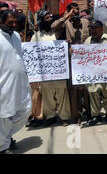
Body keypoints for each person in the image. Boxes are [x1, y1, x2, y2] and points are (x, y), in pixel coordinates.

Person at [51, 2, 90, 124]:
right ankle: (76, 114)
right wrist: (67, 16)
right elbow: (54, 26)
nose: (76, 12)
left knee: (86, 88)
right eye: (73, 10)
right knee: (74, 90)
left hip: (86, 60)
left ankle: (88, 113)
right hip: (71, 61)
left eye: (77, 10)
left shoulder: (85, 23)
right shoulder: (65, 23)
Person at [31, 10, 71, 127]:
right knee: (47, 95)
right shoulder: (37, 36)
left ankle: (64, 117)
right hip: (45, 72)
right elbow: (32, 53)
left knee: (62, 94)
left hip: (59, 71)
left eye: (50, 18)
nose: (49, 20)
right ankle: (50, 116)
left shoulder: (58, 33)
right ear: (41, 20)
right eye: (46, 18)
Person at [0, 10, 31, 154]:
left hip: (21, 83)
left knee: (25, 110)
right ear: (1, 22)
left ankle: (5, 137)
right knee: (5, 116)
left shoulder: (17, 36)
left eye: (15, 22)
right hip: (4, 85)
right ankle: (3, 146)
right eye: (10, 22)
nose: (13, 25)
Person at [84, 20, 107, 126]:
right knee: (94, 93)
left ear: (101, 29)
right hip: (93, 73)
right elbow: (83, 56)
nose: (92, 30)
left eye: (95, 28)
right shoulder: (87, 41)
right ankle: (96, 115)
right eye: (91, 28)